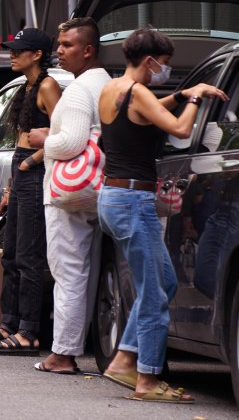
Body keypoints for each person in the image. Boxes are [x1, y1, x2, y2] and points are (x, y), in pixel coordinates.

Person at [97, 28, 225, 403]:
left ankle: (123, 359)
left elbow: (142, 113)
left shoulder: (114, 89)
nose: (165, 71)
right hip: (133, 202)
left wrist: (179, 94)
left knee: (164, 283)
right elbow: (181, 129)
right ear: (150, 60)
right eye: (165, 64)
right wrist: (196, 98)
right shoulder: (138, 93)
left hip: (115, 196)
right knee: (153, 294)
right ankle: (148, 379)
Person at [24, 18, 111, 373]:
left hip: (67, 193)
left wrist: (45, 140)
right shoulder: (104, 82)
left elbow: (72, 143)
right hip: (95, 188)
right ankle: (71, 347)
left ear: (87, 50)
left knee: (68, 272)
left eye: (67, 45)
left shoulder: (77, 90)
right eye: (59, 44)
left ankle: (62, 354)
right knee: (86, 272)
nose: (59, 51)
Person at [0, 28, 62, 355]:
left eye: (19, 50)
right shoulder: (26, 86)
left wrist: (32, 162)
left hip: (35, 168)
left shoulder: (47, 85)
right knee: (11, 251)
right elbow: (21, 138)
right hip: (21, 168)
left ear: (38, 54)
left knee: (29, 254)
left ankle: (29, 331)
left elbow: (66, 135)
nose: (12, 54)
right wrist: (10, 186)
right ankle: (9, 323)